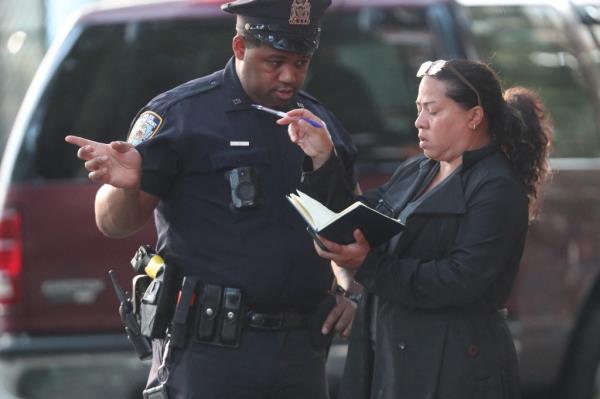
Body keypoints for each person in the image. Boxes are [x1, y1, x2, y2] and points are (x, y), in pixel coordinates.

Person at [65, 1, 359, 398]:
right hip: (207, 349)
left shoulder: (320, 124)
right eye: (275, 62)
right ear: (240, 47)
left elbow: (350, 226)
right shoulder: (183, 116)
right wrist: (125, 185)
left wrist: (352, 292)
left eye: (301, 62)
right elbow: (114, 223)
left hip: (300, 351)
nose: (290, 76)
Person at [281, 59, 552, 399]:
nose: (419, 122)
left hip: (453, 365)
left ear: (474, 117)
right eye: (418, 108)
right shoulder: (418, 170)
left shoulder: (496, 187)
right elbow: (356, 218)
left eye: (433, 111)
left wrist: (370, 266)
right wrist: (323, 158)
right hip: (390, 354)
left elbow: (460, 280)